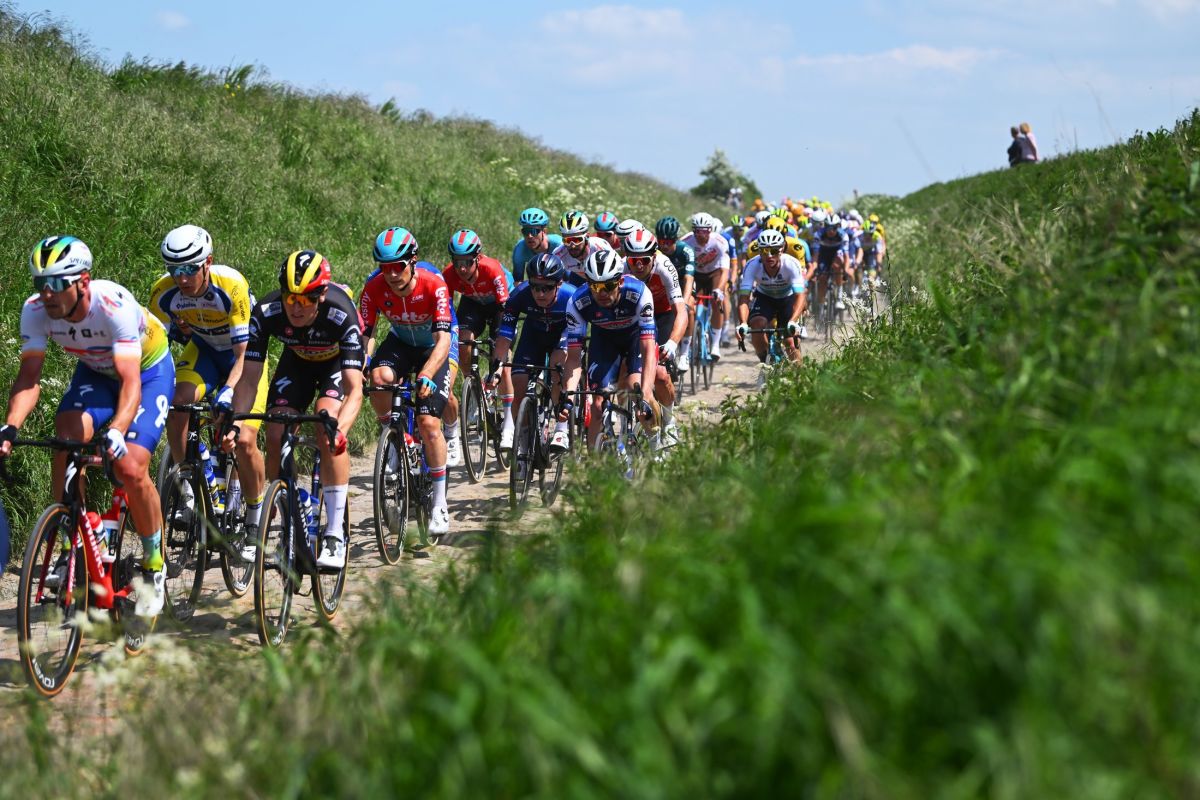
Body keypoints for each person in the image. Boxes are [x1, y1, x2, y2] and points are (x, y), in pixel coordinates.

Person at [2, 236, 174, 615]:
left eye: (56, 283)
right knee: (66, 438)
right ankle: (71, 543)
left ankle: (153, 563)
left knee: (131, 466)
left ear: (83, 281)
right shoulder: (35, 310)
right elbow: (29, 379)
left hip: (147, 373)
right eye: (40, 283)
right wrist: (10, 429)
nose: (47, 293)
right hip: (96, 372)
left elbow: (130, 383)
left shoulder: (112, 305)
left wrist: (117, 430)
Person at [227, 250, 365, 568]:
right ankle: (287, 512)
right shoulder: (266, 311)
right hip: (298, 362)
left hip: (335, 365)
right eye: (290, 298)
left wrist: (340, 432)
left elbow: (355, 389)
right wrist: (236, 422)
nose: (296, 307)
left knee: (326, 424)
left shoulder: (341, 312)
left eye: (305, 300)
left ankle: (334, 534)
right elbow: (249, 380)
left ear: (321, 295)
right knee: (276, 430)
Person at [149, 225, 268, 553]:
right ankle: (189, 490)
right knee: (177, 406)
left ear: (208, 263)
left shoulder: (231, 284)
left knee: (243, 439)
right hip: (204, 352)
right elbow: (156, 346)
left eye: (189, 269)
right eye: (174, 269)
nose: (182, 278)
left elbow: (243, 355)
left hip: (244, 357)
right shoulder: (162, 292)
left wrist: (228, 391)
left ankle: (255, 520)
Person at [358, 228, 454, 536]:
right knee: (378, 378)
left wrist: (427, 373)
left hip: (434, 347)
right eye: (384, 267)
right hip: (400, 342)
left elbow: (443, 339)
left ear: (413, 261)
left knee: (428, 423)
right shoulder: (373, 287)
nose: (391, 274)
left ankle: (439, 503)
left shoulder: (434, 284)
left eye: (397, 267)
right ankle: (395, 438)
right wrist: (361, 362)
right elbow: (367, 332)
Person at [562, 249, 658, 451]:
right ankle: (595, 465)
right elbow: (573, 358)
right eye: (595, 286)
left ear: (620, 281)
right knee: (598, 406)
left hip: (635, 338)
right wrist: (568, 396)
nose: (602, 293)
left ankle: (656, 444)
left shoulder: (639, 293)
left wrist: (647, 391)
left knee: (638, 391)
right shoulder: (578, 302)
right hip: (604, 339)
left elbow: (648, 347)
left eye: (609, 285)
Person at [440, 229, 516, 449]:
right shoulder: (449, 274)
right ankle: (473, 388)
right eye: (457, 262)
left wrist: (501, 347)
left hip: (499, 305)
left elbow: (505, 311)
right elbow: (445, 310)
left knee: (503, 361)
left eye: (467, 262)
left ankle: (509, 422)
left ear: (478, 257)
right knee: (463, 341)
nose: (462, 268)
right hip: (473, 303)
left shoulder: (492, 269)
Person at [491, 252, 573, 454]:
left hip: (562, 334)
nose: (540, 293)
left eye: (547, 288)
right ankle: (523, 442)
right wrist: (497, 369)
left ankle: (561, 429)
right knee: (518, 382)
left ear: (559, 284)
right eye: (535, 287)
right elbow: (504, 338)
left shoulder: (571, 296)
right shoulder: (519, 295)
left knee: (557, 368)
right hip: (533, 335)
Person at [622, 227, 686, 446]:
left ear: (654, 257)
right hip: (635, 317)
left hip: (662, 314)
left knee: (660, 374)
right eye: (634, 261)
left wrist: (673, 343)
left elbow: (681, 311)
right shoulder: (620, 269)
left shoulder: (665, 266)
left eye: (644, 260)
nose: (639, 265)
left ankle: (668, 421)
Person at [736, 229, 806, 386]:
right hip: (765, 297)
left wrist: (793, 321)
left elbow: (800, 296)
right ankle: (765, 361)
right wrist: (743, 323)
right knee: (756, 324)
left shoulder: (791, 264)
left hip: (787, 298)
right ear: (759, 251)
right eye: (764, 251)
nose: (769, 256)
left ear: (781, 250)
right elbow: (744, 298)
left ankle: (801, 380)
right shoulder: (752, 265)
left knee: (789, 341)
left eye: (773, 251)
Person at [552, 210, 615, 287]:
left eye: (577, 240)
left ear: (587, 236)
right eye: (567, 240)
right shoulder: (558, 255)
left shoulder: (601, 248)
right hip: (578, 277)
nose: (572, 246)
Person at [511, 207, 563, 284]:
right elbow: (518, 282)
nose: (530, 236)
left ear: (544, 231)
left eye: (534, 231)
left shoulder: (559, 245)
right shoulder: (520, 249)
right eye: (526, 231)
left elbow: (568, 278)